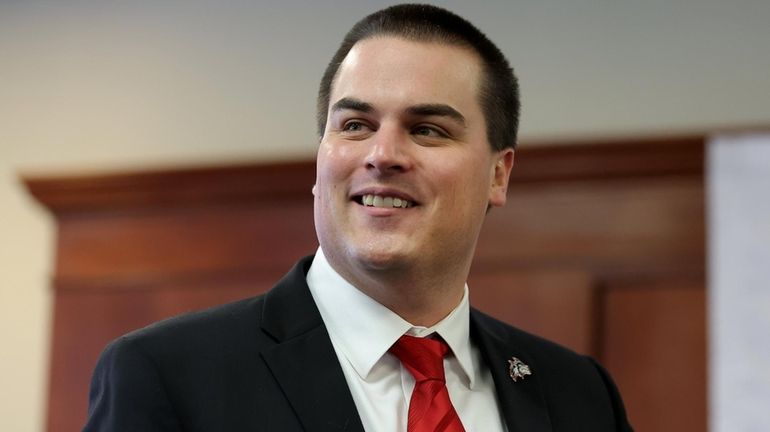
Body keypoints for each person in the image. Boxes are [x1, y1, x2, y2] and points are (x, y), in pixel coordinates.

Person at [84, 4, 633, 431]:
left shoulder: (578, 395)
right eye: (355, 126)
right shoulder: (167, 375)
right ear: (322, 157)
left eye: (428, 129)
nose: (382, 154)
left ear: (498, 174)